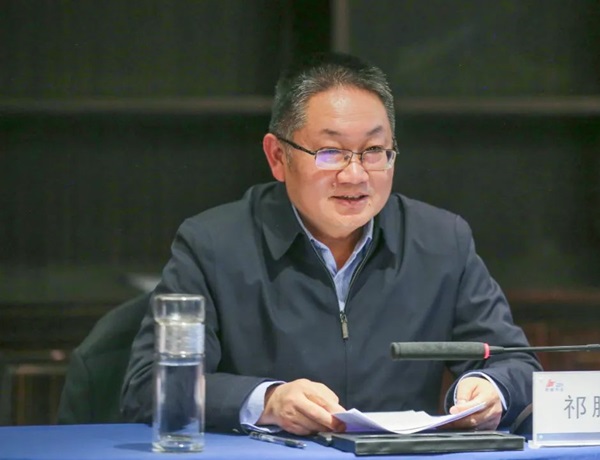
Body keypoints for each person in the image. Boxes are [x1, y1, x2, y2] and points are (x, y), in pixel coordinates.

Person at [121, 52, 542, 435]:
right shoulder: (212, 245)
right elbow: (148, 386)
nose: (354, 175)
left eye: (374, 150)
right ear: (277, 156)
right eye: (330, 152)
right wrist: (267, 401)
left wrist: (489, 387)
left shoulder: (441, 241)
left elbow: (517, 363)